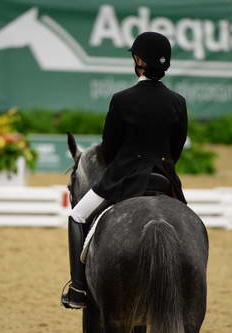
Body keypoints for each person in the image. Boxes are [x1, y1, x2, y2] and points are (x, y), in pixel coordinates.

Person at [61, 31, 188, 309]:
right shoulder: (178, 102)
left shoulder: (122, 99)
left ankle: (79, 289)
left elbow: (109, 148)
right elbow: (176, 149)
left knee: (76, 215)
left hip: (125, 179)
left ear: (139, 61)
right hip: (164, 179)